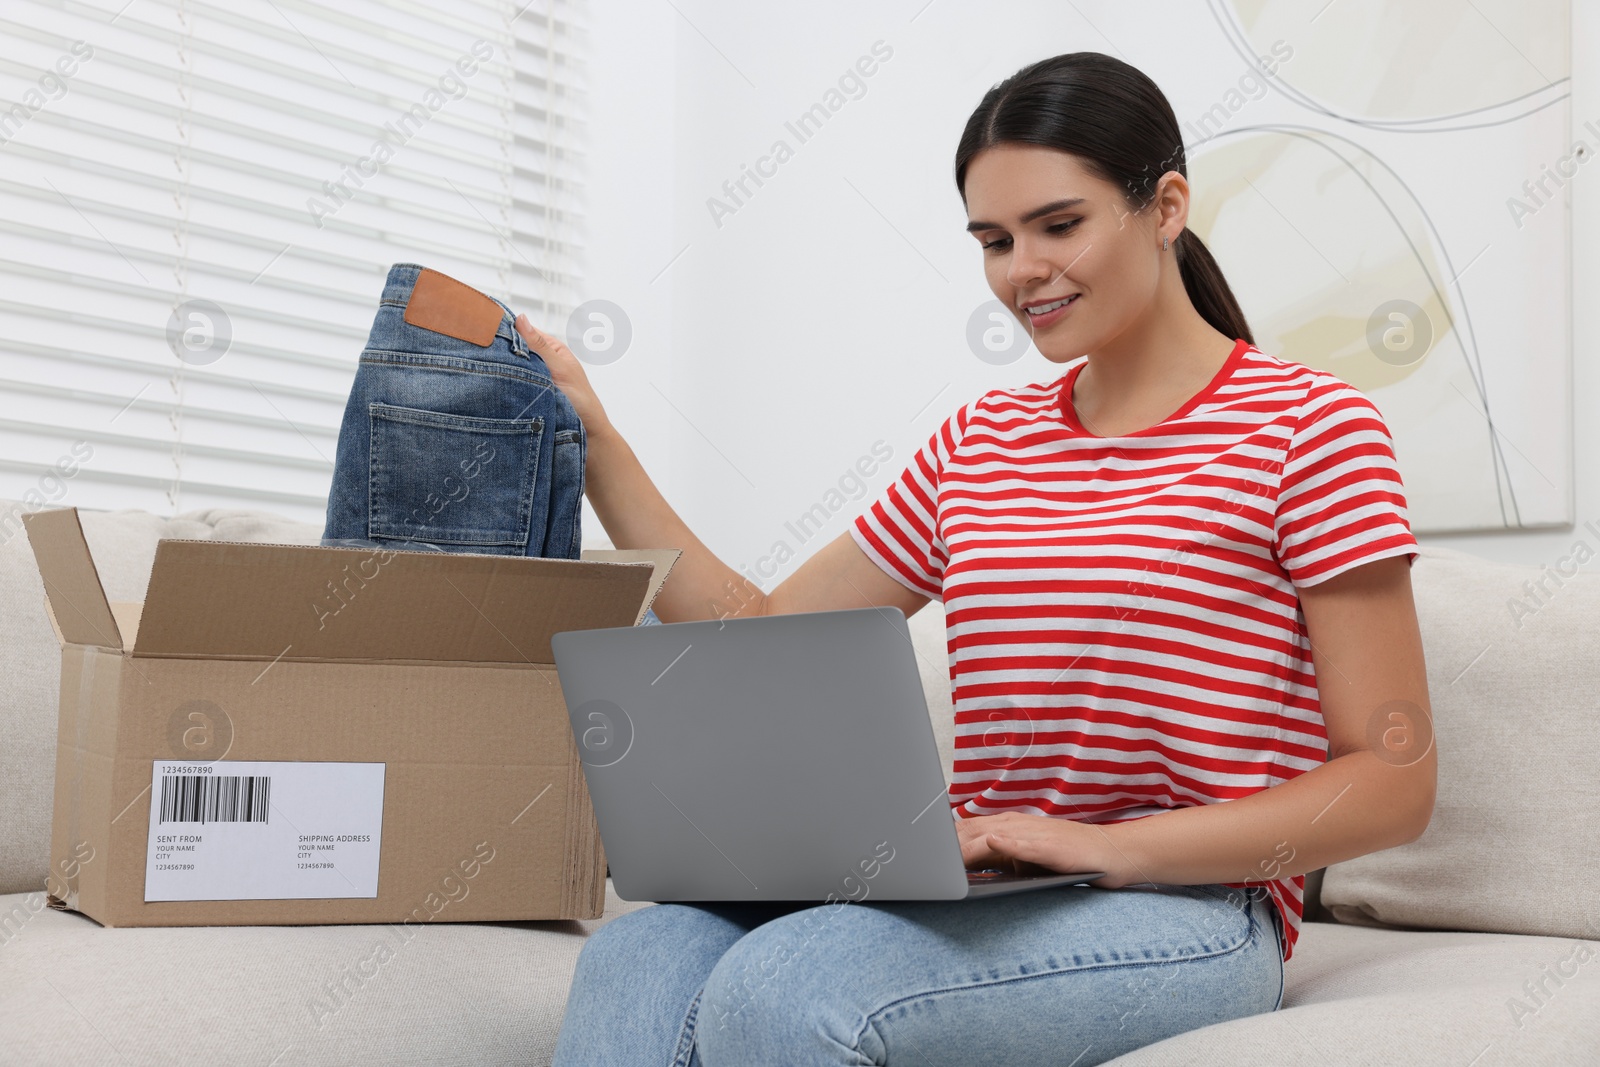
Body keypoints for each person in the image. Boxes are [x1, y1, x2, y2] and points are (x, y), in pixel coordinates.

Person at [529, 50, 1435, 1067]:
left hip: (1196, 907)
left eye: (1059, 225)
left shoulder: (1308, 427)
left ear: (1166, 205)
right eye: (994, 240)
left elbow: (1391, 779)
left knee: (785, 989)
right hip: (991, 888)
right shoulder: (980, 443)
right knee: (640, 948)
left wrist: (1109, 845)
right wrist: (597, 444)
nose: (1021, 272)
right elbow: (760, 636)